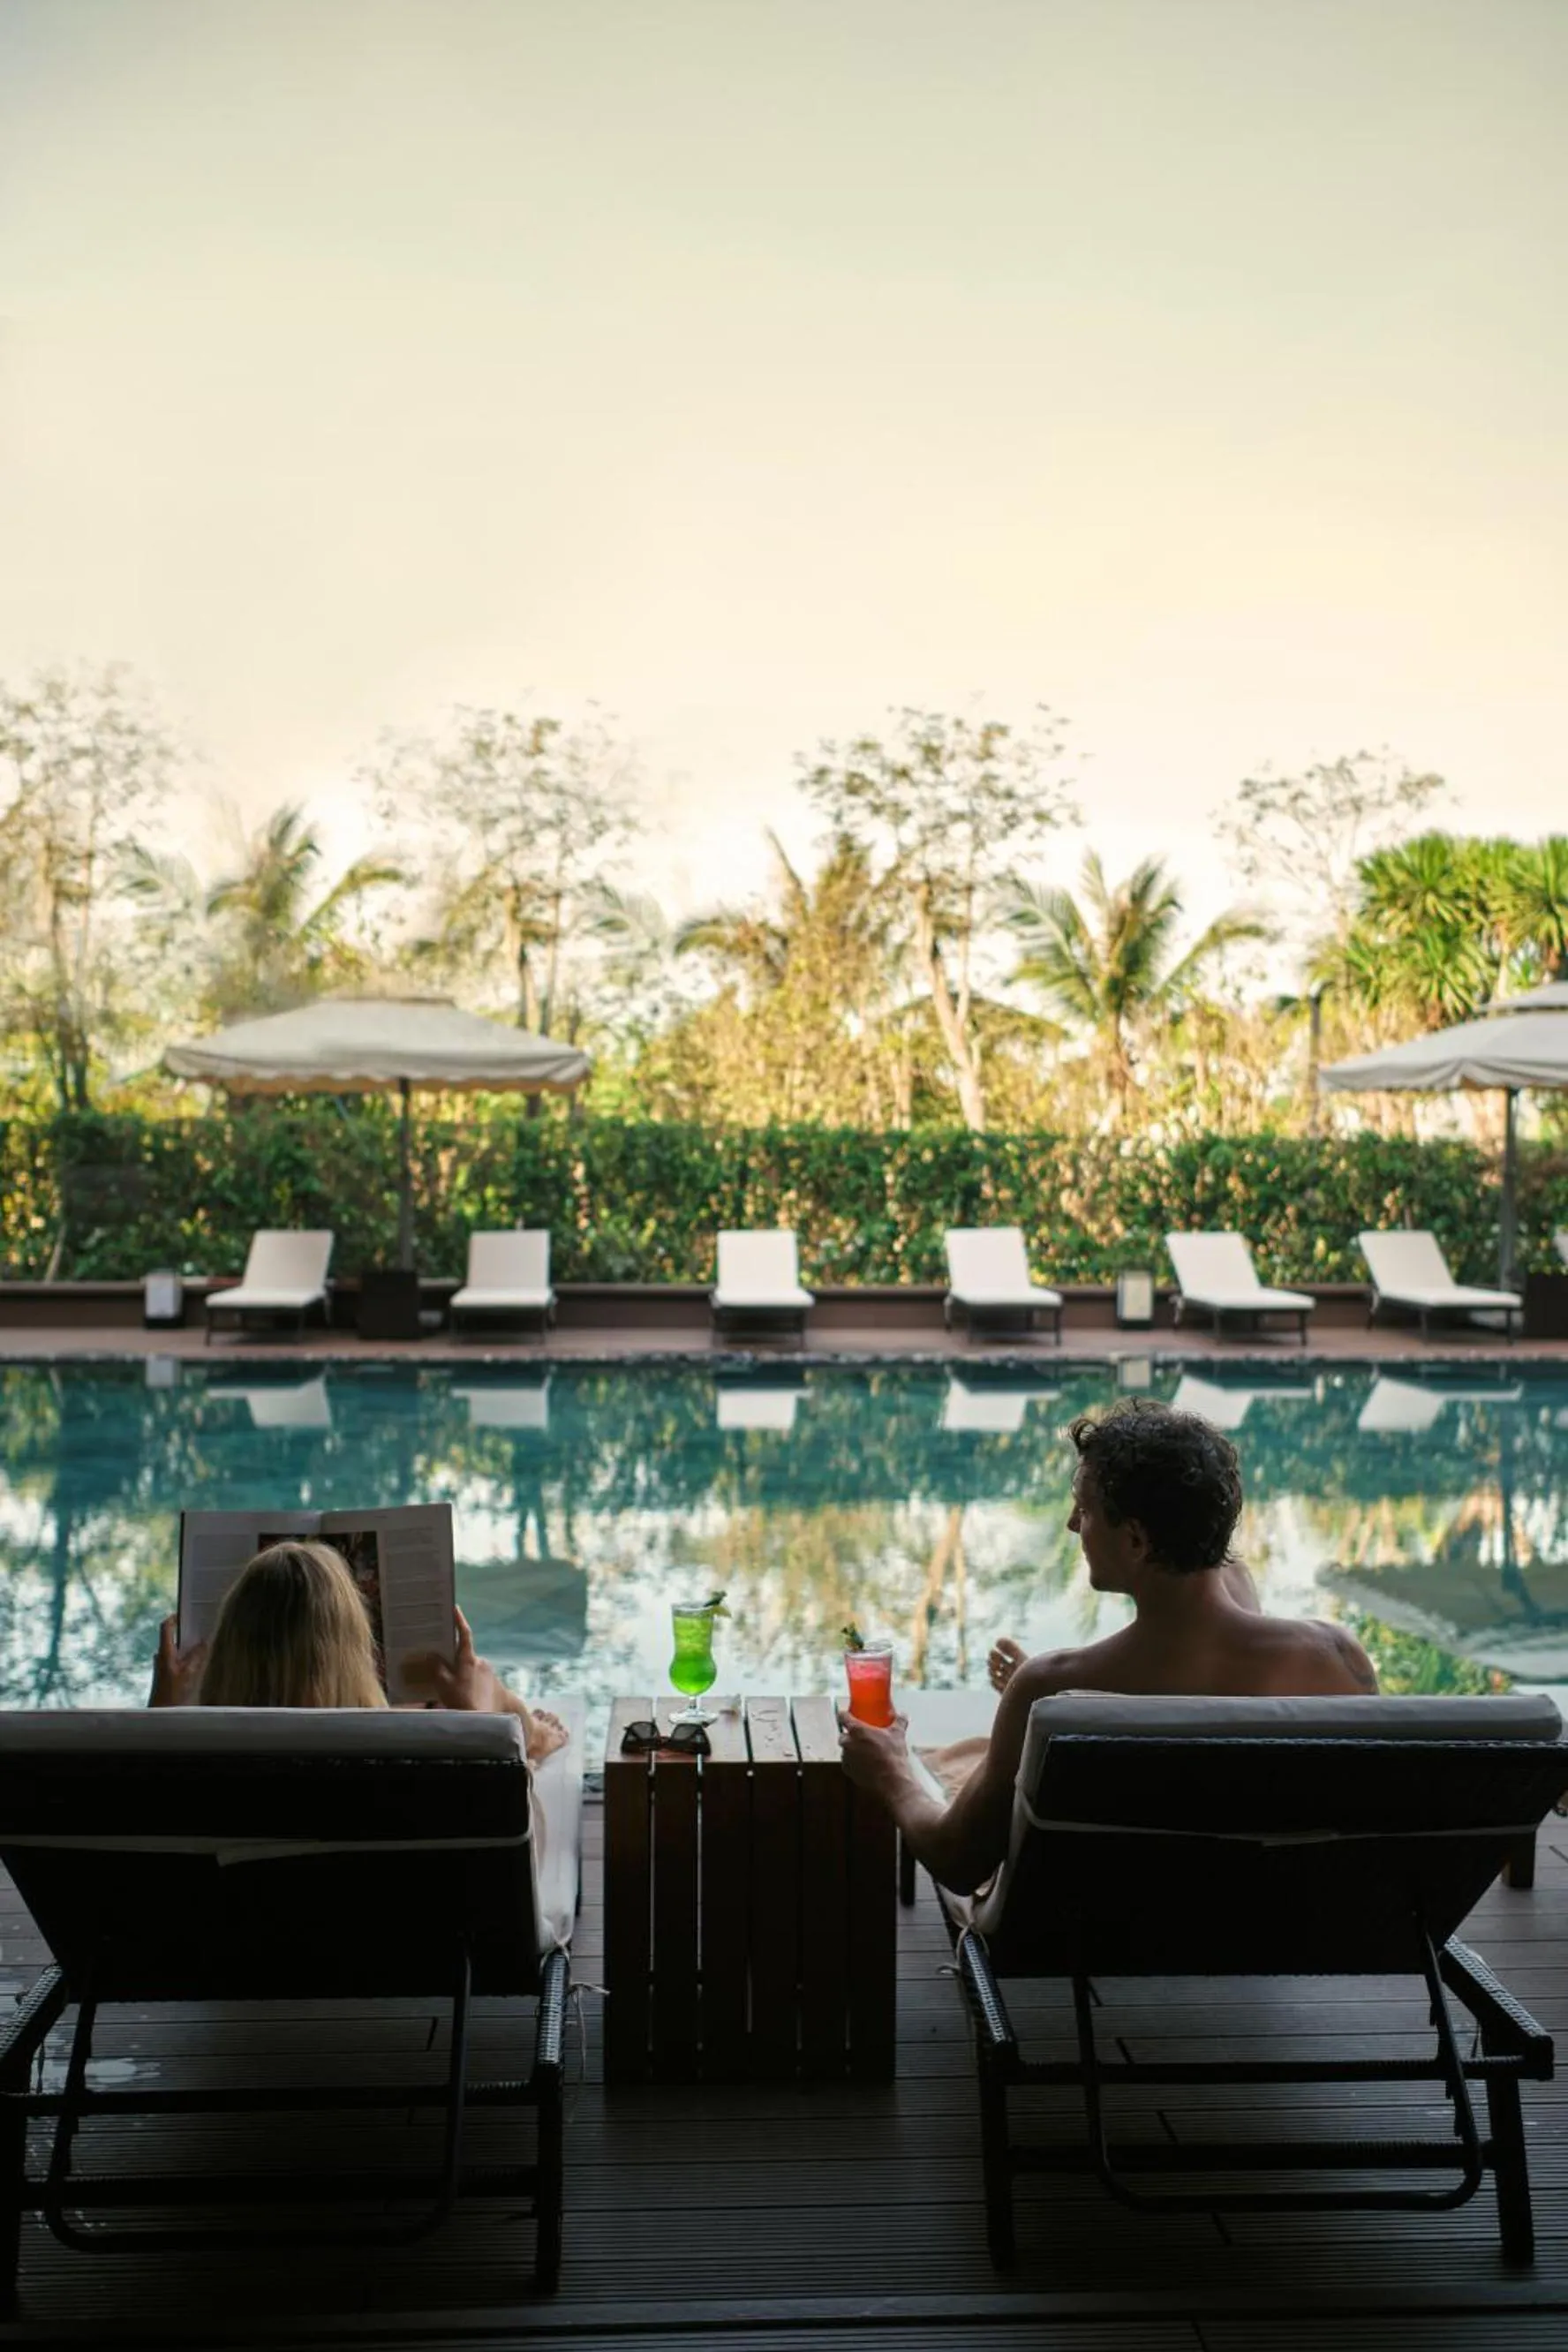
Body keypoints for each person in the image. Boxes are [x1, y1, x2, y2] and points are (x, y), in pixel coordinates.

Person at [838, 1398, 1377, 1895]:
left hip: (1112, 1922)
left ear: (1137, 1541)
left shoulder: (1048, 1690)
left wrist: (891, 1772)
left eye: (1085, 1509)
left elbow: (957, 1861)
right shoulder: (1335, 1659)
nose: (1073, 1524)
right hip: (1287, 1917)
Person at [149, 1538, 569, 1763]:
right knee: (474, 1698)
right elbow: (505, 1828)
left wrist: (162, 1711)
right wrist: (481, 1721)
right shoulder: (402, 1767)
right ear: (355, 1650)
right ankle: (522, 1730)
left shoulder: (191, 1772)